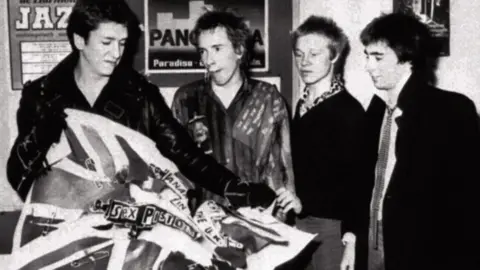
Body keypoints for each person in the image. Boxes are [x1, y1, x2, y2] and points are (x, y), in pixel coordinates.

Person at [6, 0, 276, 211]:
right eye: (106, 42)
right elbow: (18, 177)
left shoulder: (139, 94)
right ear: (79, 40)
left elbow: (183, 151)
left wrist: (231, 186)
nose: (116, 53)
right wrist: (38, 139)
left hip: (128, 230)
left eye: (122, 43)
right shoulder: (41, 95)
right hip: (67, 231)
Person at [359, 13, 480, 270]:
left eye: (378, 57)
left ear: (407, 60)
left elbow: (466, 202)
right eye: (367, 56)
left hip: (422, 249)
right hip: (374, 236)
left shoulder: (451, 110)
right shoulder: (377, 111)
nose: (368, 66)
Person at [171, 9, 300, 218]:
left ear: (239, 50)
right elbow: (174, 168)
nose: (208, 60)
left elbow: (282, 170)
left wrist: (283, 213)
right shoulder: (185, 99)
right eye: (203, 51)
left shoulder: (267, 98)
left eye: (217, 49)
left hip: (258, 222)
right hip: (203, 224)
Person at [290, 15, 367, 270]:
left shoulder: (349, 111)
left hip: (333, 229)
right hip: (299, 226)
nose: (305, 62)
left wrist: (352, 241)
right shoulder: (301, 105)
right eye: (299, 54)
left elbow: (359, 185)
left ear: (334, 56)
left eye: (314, 54)